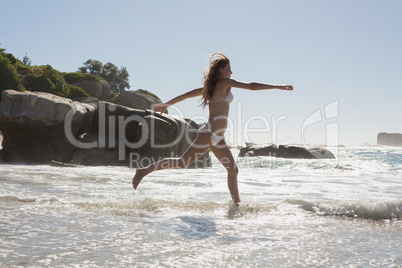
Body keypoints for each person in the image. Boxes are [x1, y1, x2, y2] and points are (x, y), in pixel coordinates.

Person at [132, 53, 293, 203]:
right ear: (222, 71)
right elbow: (251, 86)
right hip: (209, 133)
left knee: (233, 170)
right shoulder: (224, 83)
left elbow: (187, 94)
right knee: (183, 162)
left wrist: (166, 104)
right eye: (229, 69)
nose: (231, 72)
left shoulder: (211, 87)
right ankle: (144, 170)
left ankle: (236, 204)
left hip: (216, 136)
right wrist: (278, 86)